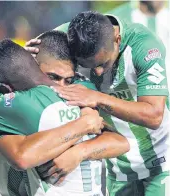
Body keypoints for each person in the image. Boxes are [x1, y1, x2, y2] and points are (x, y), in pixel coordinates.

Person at [0, 33, 129, 196]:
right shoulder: (7, 101)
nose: (61, 86)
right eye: (53, 77)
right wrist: (82, 126)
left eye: (67, 80)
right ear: (33, 66)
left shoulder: (77, 93)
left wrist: (80, 152)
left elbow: (119, 142)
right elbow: (21, 156)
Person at [26, 11, 170, 196]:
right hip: (117, 168)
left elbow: (154, 116)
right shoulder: (69, 36)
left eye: (103, 63)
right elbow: (19, 59)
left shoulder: (145, 46)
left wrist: (98, 97)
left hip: (160, 163)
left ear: (117, 39)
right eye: (90, 66)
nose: (98, 72)